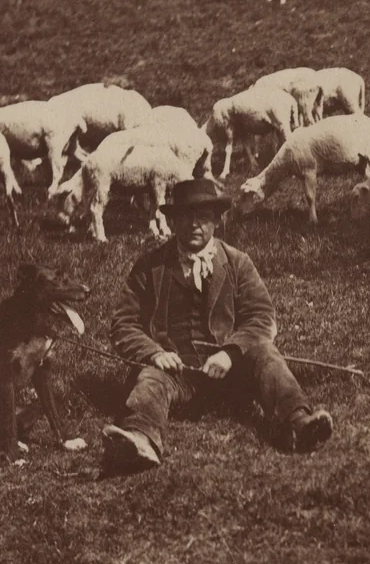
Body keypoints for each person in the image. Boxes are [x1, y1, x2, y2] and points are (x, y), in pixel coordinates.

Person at [101, 178, 333, 470]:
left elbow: (261, 317)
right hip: (177, 374)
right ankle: (139, 440)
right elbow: (123, 323)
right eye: (186, 216)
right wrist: (154, 353)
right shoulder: (150, 266)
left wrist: (230, 353)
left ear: (216, 221)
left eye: (203, 217)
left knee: (266, 353)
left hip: (232, 375)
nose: (194, 224)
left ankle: (299, 421)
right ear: (172, 222)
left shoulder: (237, 262)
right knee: (150, 378)